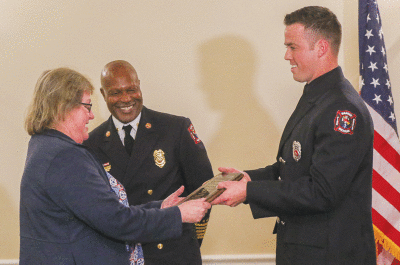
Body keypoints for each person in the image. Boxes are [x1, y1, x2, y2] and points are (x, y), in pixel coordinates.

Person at [212, 6, 376, 265]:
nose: (287, 55)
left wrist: (250, 191)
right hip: (305, 252)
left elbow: (322, 192)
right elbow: (294, 168)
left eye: (293, 47)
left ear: (321, 48)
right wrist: (248, 177)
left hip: (330, 256)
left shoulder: (341, 109)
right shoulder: (318, 96)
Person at [20, 67, 211, 265]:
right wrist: (177, 215)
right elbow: (116, 220)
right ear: (63, 107)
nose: (92, 115)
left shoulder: (45, 145)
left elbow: (99, 211)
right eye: (87, 107)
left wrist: (161, 207)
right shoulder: (66, 156)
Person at [83, 60, 214, 264]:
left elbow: (204, 189)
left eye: (131, 90)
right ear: (103, 94)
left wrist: (188, 239)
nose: (126, 99)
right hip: (123, 256)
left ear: (139, 86)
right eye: (116, 92)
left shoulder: (175, 129)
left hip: (173, 252)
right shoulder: (91, 144)